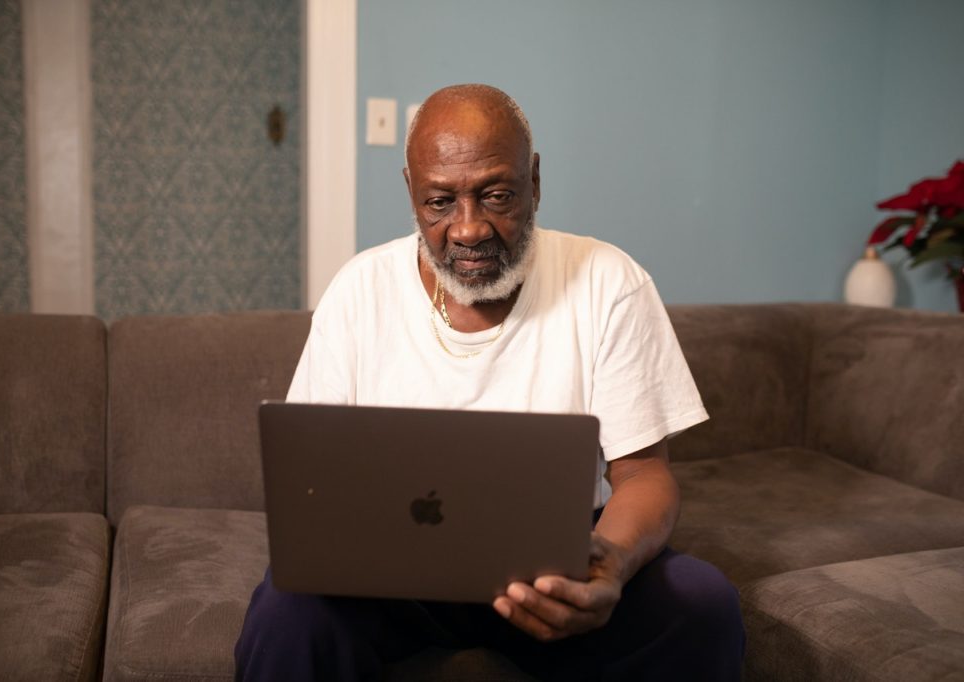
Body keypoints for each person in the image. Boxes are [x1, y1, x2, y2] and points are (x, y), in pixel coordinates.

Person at [235, 83, 745, 681]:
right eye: (440, 202)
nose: (469, 228)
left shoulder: (610, 281)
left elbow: (642, 474)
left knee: (704, 604)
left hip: (557, 566)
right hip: (388, 575)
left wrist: (609, 567)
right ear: (410, 191)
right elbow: (313, 482)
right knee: (285, 612)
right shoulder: (359, 289)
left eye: (496, 195)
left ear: (535, 181)